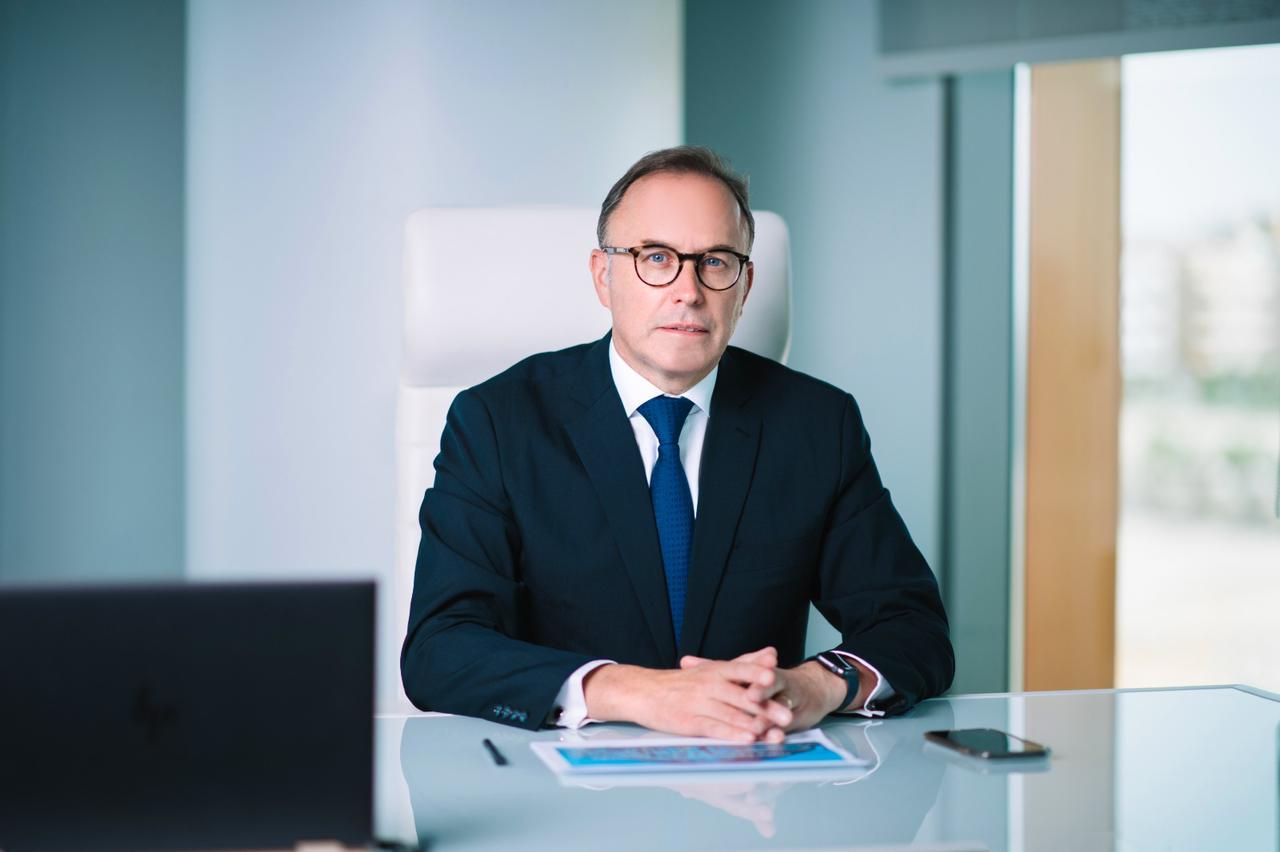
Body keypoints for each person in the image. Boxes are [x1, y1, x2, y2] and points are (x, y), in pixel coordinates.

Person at [401, 146, 952, 742]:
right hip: (564, 775)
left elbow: (912, 627)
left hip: (752, 770)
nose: (688, 290)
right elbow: (441, 648)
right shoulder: (498, 422)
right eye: (656, 258)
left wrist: (816, 685)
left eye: (715, 261)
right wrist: (635, 692)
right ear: (603, 275)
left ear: (745, 286)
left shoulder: (817, 424)